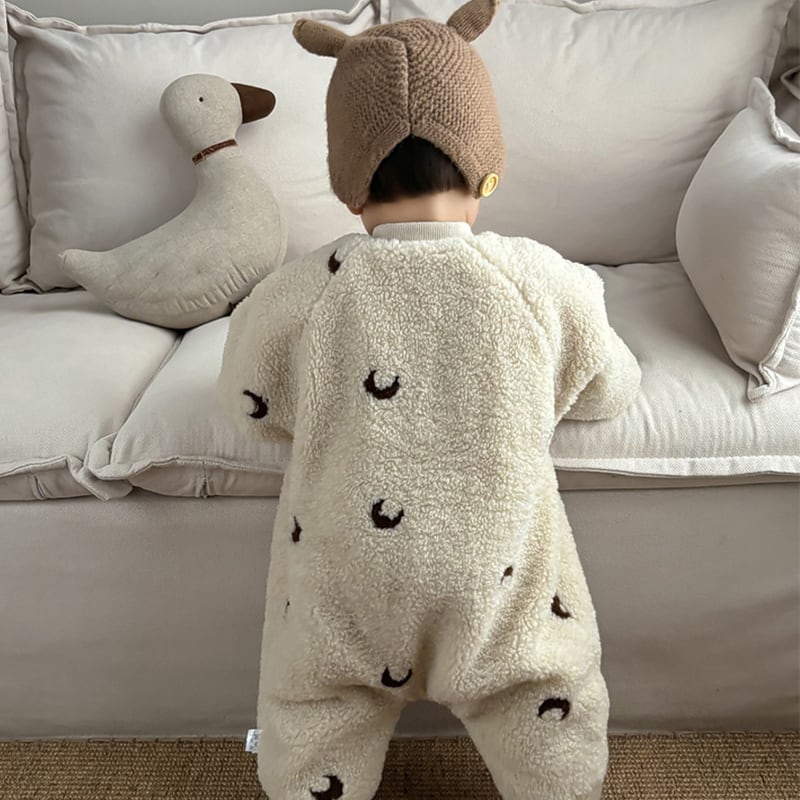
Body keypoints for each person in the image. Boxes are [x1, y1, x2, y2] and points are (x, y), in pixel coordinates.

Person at [217, 1, 641, 798]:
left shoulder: (297, 293)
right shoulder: (544, 282)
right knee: (538, 693)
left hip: (345, 578)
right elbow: (610, 387)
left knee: (316, 702)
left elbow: (249, 405)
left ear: (348, 188)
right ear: (488, 172)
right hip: (499, 576)